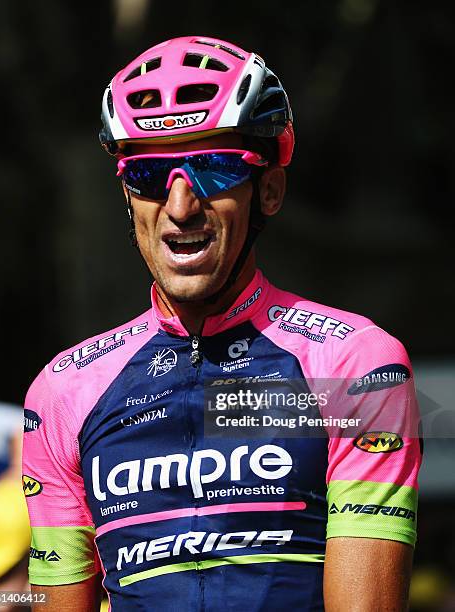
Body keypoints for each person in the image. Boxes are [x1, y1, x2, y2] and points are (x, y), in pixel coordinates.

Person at [22, 36, 422, 611]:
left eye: (211, 169)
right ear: (127, 195)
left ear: (270, 190)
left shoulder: (354, 367)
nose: (180, 206)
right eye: (150, 175)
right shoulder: (63, 392)